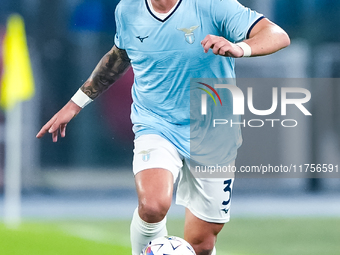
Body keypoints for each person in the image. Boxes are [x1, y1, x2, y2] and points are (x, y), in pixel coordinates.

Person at [37, 0, 290, 254]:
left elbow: (277, 35)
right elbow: (119, 56)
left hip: (213, 130)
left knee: (201, 244)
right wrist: (75, 104)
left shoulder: (214, 5)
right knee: (152, 205)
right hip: (156, 123)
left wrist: (240, 48)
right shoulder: (128, 9)